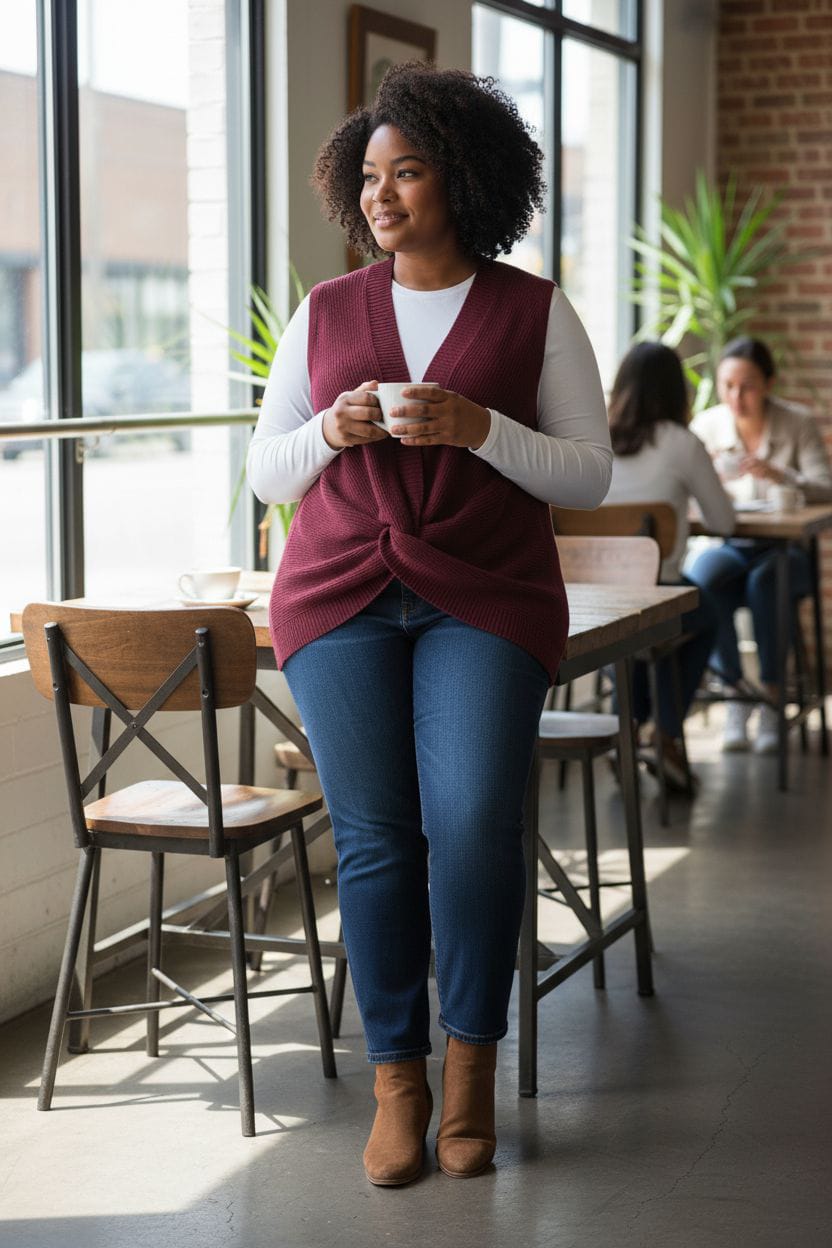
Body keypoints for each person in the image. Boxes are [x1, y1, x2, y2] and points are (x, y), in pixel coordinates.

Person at [247, 63, 611, 1186]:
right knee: (371, 838)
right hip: (339, 591)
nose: (382, 195)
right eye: (368, 174)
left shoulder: (534, 310)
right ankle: (395, 1078)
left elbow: (589, 473)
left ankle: (470, 1068)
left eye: (407, 171)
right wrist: (334, 436)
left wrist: (477, 427)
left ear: (465, 177)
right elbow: (268, 472)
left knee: (468, 824)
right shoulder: (325, 311)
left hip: (482, 596)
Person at [687, 337, 832, 753]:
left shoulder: (796, 423)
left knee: (768, 580)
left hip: (786, 553)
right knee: (701, 579)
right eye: (728, 385)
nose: (736, 397)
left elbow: (826, 489)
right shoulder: (707, 426)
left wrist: (782, 475)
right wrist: (708, 479)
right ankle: (735, 693)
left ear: (769, 384)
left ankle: (771, 696)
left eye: (747, 386)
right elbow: (692, 498)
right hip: (732, 544)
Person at [603, 342, 735, 787]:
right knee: (703, 615)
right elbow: (724, 521)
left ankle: (629, 730)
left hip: (593, 599)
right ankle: (664, 733)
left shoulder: (594, 436)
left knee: (636, 635)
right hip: (655, 592)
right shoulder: (681, 443)